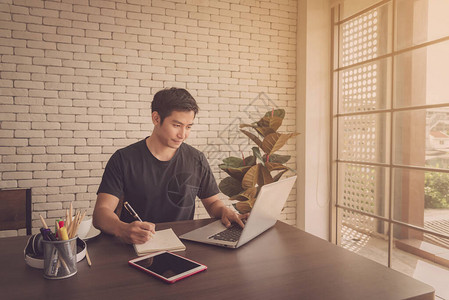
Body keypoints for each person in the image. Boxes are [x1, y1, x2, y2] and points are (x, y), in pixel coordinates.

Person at [93, 87, 247, 244]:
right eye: (176, 125)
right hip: (137, 246)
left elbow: (213, 203)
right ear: (156, 118)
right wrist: (122, 228)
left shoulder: (196, 159)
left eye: (188, 127)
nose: (183, 134)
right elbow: (101, 213)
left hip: (184, 245)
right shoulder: (123, 159)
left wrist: (224, 211)